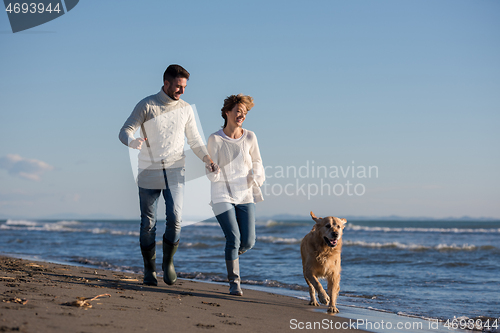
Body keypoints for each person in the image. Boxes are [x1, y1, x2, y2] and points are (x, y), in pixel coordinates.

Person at [119, 64, 217, 286]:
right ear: (166, 83)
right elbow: (124, 130)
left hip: (175, 169)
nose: (182, 91)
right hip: (148, 170)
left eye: (184, 87)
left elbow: (194, 140)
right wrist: (132, 141)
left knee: (175, 218)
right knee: (148, 223)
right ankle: (149, 269)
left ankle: (168, 263)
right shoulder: (147, 105)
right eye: (178, 86)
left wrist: (208, 159)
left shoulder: (186, 109)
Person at [206, 94, 265, 296]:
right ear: (227, 112)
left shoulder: (250, 137)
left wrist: (256, 173)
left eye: (245, 112)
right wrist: (213, 170)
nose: (241, 115)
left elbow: (257, 161)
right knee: (233, 237)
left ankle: (230, 256)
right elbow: (209, 168)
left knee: (248, 241)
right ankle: (234, 283)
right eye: (238, 111)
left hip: (244, 194)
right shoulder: (215, 138)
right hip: (221, 194)